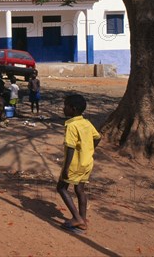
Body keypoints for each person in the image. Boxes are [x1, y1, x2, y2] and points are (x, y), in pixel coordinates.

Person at [56, 94, 101, 231]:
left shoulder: (72, 126)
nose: (63, 109)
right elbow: (97, 137)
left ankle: (76, 217)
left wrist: (65, 168)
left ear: (73, 109)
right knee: (80, 190)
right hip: (87, 162)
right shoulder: (86, 122)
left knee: (61, 188)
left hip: (74, 164)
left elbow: (70, 148)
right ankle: (83, 219)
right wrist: (88, 150)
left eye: (66, 106)